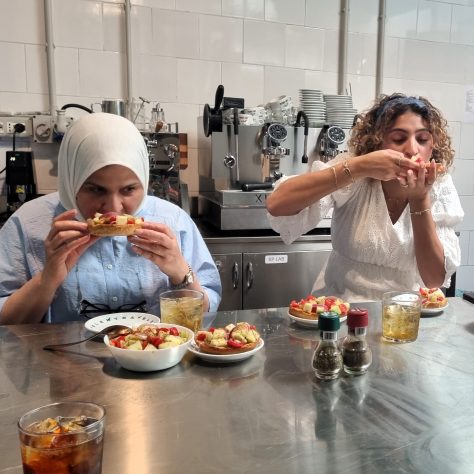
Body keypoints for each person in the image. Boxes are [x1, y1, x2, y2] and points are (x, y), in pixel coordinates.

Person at [0, 113, 221, 324]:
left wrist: (181, 273)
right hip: (58, 359)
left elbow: (203, 316)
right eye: (96, 190)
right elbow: (5, 324)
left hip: (156, 358)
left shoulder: (173, 221)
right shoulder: (28, 224)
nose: (113, 209)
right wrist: (47, 280)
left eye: (128, 189)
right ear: (71, 182)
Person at [266, 93, 464, 301]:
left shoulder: (439, 186)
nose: (413, 149)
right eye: (399, 139)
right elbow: (277, 204)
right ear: (377, 143)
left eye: (422, 139)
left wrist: (419, 199)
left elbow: (433, 279)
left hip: (404, 315)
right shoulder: (355, 174)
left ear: (432, 146)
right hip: (340, 309)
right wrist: (359, 166)